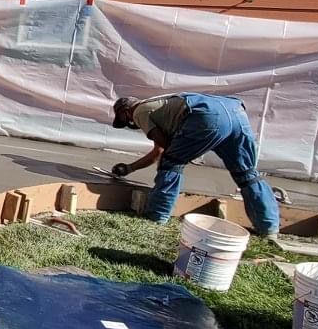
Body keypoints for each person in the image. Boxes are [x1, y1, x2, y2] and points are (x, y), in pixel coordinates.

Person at [109, 92, 280, 236]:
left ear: (126, 111)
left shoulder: (139, 111)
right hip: (235, 110)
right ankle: (268, 227)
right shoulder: (161, 104)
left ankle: (157, 215)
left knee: (171, 163)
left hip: (207, 117)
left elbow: (163, 148)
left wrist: (175, 157)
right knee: (246, 173)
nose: (128, 123)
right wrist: (129, 168)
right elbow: (160, 150)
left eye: (124, 119)